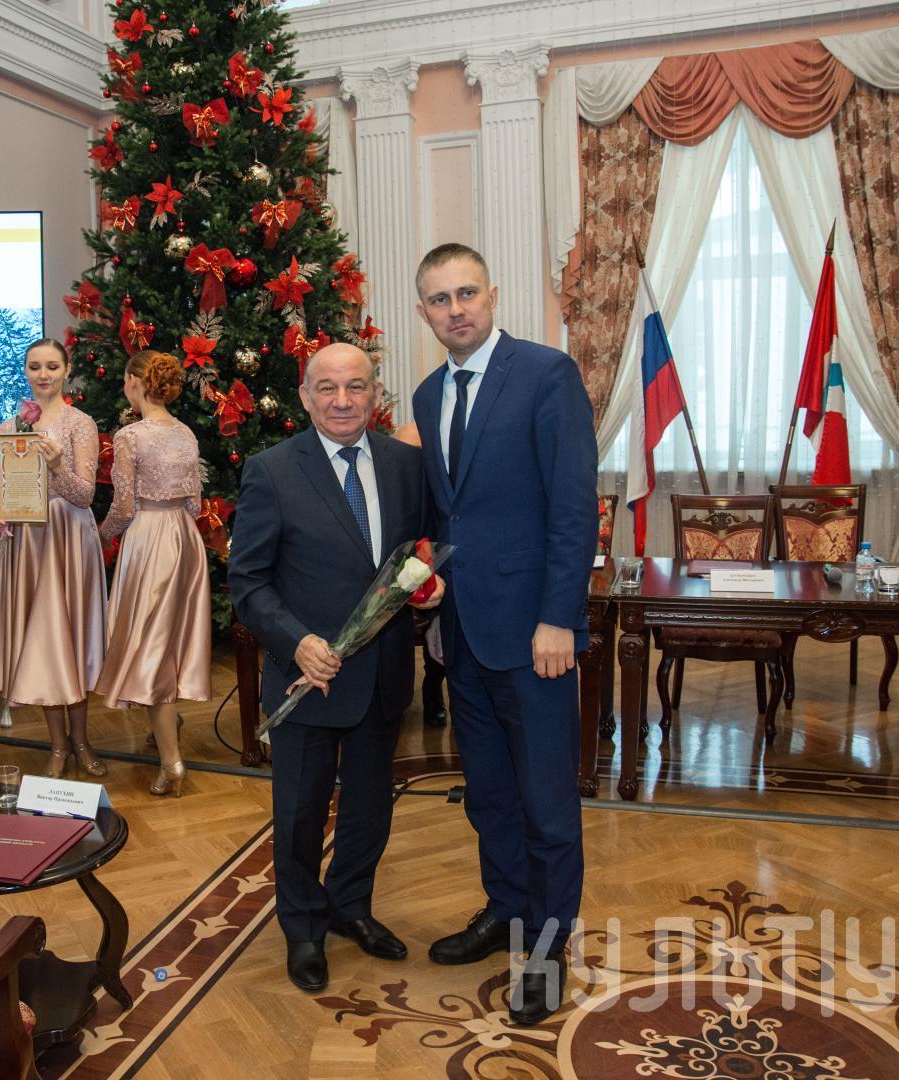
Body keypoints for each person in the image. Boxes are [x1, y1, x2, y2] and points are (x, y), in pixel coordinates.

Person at [410, 243, 598, 1026]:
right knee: (488, 794)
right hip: (462, 635)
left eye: (466, 293)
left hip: (534, 634)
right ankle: (505, 911)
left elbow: (573, 508)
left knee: (546, 802)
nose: (455, 309)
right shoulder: (427, 394)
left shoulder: (547, 375)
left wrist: (560, 617)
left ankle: (549, 950)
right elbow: (445, 515)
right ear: (424, 313)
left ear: (492, 294)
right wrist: (428, 600)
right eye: (439, 299)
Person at [230, 342, 438, 993]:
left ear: (375, 392)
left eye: (355, 387)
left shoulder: (407, 465)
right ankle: (303, 928)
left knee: (370, 809)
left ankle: (352, 907)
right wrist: (296, 642)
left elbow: (423, 554)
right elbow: (248, 581)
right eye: (327, 388)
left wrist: (433, 585)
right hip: (306, 679)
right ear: (305, 396)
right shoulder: (271, 471)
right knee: (299, 814)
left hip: (382, 677)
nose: (342, 401)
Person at [0, 339, 109, 779]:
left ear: (66, 370)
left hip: (69, 538)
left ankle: (82, 741)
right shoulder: (10, 426)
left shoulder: (80, 424)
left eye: (52, 366)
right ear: (26, 372)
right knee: (41, 641)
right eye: (35, 366)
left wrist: (56, 465)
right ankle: (57, 745)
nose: (43, 374)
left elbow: (84, 494)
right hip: (29, 543)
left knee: (70, 638)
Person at [96, 350, 211, 797]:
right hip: (185, 539)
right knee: (169, 641)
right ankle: (167, 727)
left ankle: (172, 762)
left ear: (135, 382)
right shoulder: (185, 432)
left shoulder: (129, 436)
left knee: (149, 646)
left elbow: (124, 506)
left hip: (149, 540)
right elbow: (195, 502)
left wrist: (102, 534)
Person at [391, 421, 449, 728]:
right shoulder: (387, 489)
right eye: (406, 451)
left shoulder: (445, 489)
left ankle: (433, 687)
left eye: (421, 453)